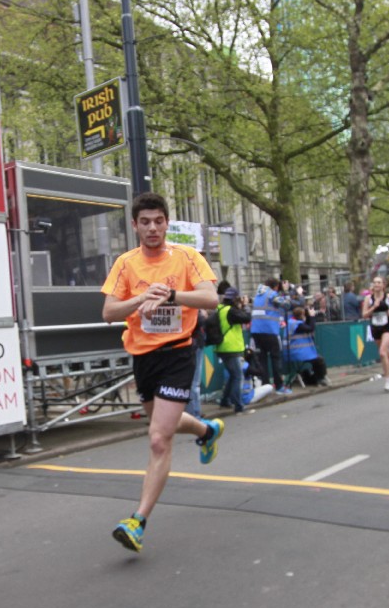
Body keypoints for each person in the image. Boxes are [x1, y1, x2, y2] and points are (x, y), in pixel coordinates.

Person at [101, 192, 225, 553]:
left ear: (167, 223)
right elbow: (109, 312)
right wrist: (141, 299)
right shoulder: (126, 263)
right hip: (143, 356)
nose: (152, 228)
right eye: (145, 222)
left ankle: (137, 522)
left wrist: (171, 296)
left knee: (158, 438)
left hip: (178, 353)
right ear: (135, 225)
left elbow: (211, 298)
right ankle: (206, 430)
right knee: (161, 422)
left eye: (158, 221)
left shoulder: (187, 257)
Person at [360, 276, 389, 392]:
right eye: (375, 282)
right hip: (375, 327)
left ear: (383, 285)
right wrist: (373, 307)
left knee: (382, 352)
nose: (377, 285)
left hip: (388, 326)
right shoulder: (368, 299)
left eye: (379, 282)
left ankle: (388, 379)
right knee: (387, 353)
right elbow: (364, 314)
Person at [215, 288, 251, 413]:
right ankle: (239, 406)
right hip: (231, 347)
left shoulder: (220, 308)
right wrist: (245, 306)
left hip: (223, 346)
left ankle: (225, 401)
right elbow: (247, 318)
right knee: (237, 376)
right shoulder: (231, 311)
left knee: (233, 375)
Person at [250, 278, 287, 388]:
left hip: (256, 331)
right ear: (276, 286)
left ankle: (265, 385)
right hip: (270, 330)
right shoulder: (272, 294)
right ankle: (279, 385)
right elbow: (286, 304)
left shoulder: (258, 295)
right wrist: (286, 292)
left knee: (262, 359)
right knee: (275, 358)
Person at [287, 307, 328, 386]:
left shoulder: (293, 322)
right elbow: (310, 328)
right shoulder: (296, 324)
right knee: (319, 360)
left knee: (316, 360)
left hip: (297, 352)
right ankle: (321, 378)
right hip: (297, 353)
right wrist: (312, 316)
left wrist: (309, 316)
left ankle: (317, 378)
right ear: (301, 315)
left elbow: (307, 325)